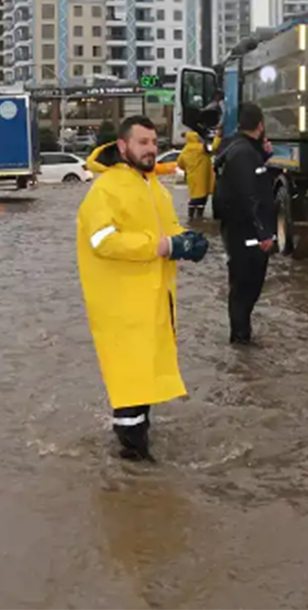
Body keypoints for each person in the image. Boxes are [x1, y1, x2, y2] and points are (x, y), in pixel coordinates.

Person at [76, 116, 208, 462]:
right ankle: (134, 470)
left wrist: (186, 241)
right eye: (143, 142)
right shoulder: (105, 189)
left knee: (142, 383)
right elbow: (102, 241)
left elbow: (166, 228)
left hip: (152, 303)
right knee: (130, 387)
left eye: (154, 142)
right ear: (123, 146)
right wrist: (162, 246)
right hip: (122, 308)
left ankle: (135, 460)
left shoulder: (151, 186)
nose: (151, 149)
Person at [214, 102, 276, 346]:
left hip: (238, 230)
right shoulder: (244, 153)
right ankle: (240, 340)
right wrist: (263, 234)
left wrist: (263, 156)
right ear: (260, 126)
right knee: (246, 287)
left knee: (244, 286)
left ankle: (242, 339)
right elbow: (250, 195)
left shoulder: (238, 148)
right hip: (246, 232)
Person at [175, 130, 215, 222]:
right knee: (202, 199)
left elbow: (180, 164)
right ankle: (199, 218)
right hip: (204, 178)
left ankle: (191, 218)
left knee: (194, 198)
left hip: (192, 178)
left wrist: (188, 169)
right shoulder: (202, 148)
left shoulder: (184, 151)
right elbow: (213, 149)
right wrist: (218, 137)